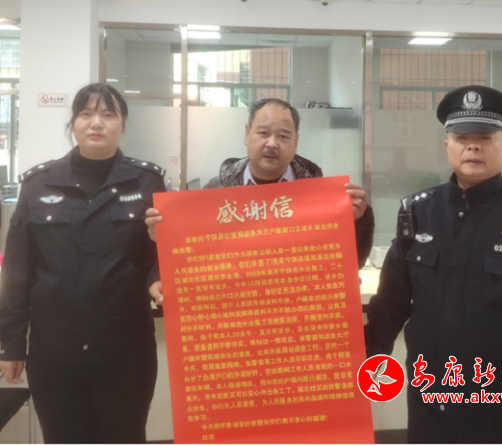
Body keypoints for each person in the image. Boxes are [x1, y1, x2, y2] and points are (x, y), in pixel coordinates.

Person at [364, 85, 502, 443]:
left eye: (485, 138)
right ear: (447, 145)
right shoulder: (418, 212)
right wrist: (370, 361)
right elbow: (391, 303)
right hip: (430, 399)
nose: (473, 147)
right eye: (462, 138)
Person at [0, 83, 165, 443]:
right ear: (73, 123)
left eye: (108, 114)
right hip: (55, 351)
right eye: (86, 113)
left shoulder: (148, 181)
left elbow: (156, 253)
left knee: (124, 436)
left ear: (123, 124)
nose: (97, 122)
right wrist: (10, 344)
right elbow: (17, 271)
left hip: (126, 350)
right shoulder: (39, 184)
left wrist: (157, 277)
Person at [145, 98, 374, 304]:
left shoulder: (321, 197)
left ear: (296, 142)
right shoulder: (216, 193)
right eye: (263, 133)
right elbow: (196, 259)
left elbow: (351, 263)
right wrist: (164, 242)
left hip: (297, 315)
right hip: (239, 316)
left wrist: (359, 220)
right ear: (247, 134)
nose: (272, 143)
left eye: (283, 136)